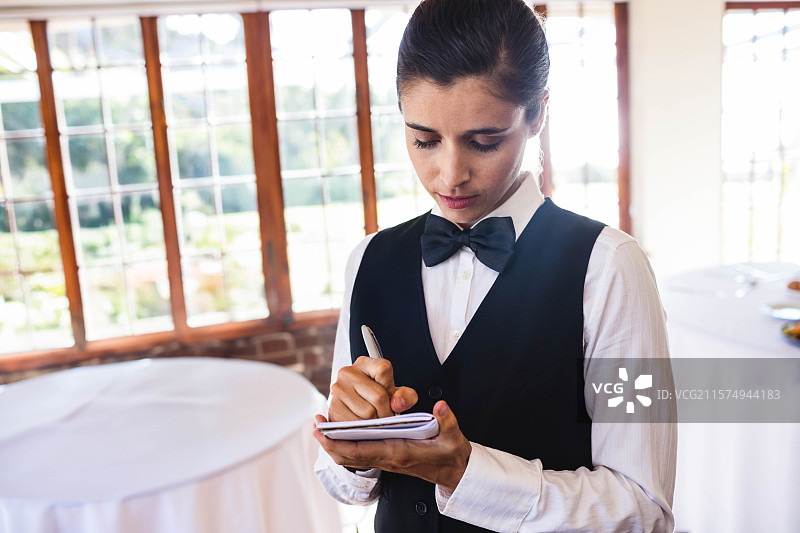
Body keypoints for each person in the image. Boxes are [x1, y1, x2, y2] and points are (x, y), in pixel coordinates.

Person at [313, 0, 677, 531]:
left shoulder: (611, 269)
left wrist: (466, 473)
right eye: (424, 140)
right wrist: (351, 443)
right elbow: (346, 487)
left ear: (537, 114)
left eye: (484, 142)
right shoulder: (367, 260)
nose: (450, 175)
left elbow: (643, 509)